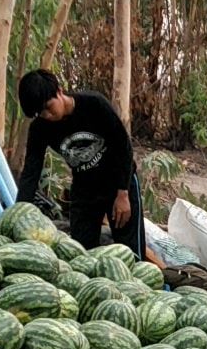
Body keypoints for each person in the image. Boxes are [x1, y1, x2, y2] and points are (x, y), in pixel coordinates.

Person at [15, 69, 142, 252]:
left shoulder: (94, 105)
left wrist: (123, 194)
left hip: (118, 182)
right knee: (81, 253)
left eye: (48, 107)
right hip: (85, 189)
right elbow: (31, 172)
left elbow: (123, 146)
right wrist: (20, 212)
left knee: (130, 250)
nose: (46, 116)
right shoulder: (40, 129)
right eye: (40, 113)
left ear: (59, 91)